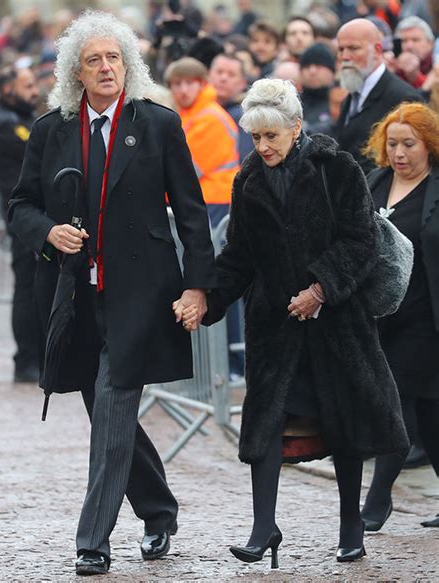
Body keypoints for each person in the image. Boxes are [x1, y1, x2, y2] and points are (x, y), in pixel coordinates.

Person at [8, 10, 216, 576]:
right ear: (76, 71)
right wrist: (47, 232)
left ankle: (92, 540)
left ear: (129, 65)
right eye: (94, 59)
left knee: (116, 398)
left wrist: (199, 285)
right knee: (107, 412)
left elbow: (193, 214)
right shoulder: (53, 128)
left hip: (140, 293)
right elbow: (20, 205)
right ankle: (159, 510)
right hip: (73, 296)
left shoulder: (158, 123)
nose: (106, 68)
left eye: (115, 58)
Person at [186, 78, 409, 567]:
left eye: (272, 136)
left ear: (296, 127)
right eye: (256, 137)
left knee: (342, 425)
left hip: (336, 324)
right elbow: (239, 255)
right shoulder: (248, 180)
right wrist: (208, 299)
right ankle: (263, 528)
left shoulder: (337, 169)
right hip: (276, 327)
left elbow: (360, 241)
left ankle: (351, 524)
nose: (263, 147)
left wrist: (320, 288)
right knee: (266, 427)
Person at [361, 102, 439, 531]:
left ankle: (377, 501)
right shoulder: (375, 181)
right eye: (392, 144)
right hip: (379, 317)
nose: (400, 153)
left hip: (425, 318)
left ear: (429, 146)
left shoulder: (436, 189)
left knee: (399, 403)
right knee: (430, 416)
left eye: (410, 144)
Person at [0, 65, 40, 383]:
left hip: (34, 215)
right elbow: (37, 150)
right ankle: (26, 358)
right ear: (9, 90)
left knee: (40, 286)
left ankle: (42, 355)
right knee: (28, 287)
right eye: (28, 85)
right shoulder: (5, 124)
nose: (35, 91)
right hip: (22, 217)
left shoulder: (22, 118)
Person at [336, 18, 421, 173]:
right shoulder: (351, 97)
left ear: (376, 50)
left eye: (353, 48)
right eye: (341, 49)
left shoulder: (403, 98)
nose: (345, 57)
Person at [165, 56, 239, 227]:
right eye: (177, 84)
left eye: (190, 83)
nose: (183, 90)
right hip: (204, 198)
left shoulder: (210, 118)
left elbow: (185, 169)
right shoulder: (190, 114)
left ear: (202, 84)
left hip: (213, 200)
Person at [208, 52, 253, 161]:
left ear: (242, 83)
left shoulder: (244, 117)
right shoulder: (196, 109)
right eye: (219, 72)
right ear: (209, 75)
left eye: (231, 74)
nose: (223, 78)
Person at [299, 42, 336, 136]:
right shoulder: (292, 104)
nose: (312, 71)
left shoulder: (340, 103)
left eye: (319, 66)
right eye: (307, 67)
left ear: (332, 72)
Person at [394, 16, 435, 89]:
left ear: (430, 44)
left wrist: (416, 78)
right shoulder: (395, 67)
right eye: (404, 41)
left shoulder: (436, 66)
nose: (409, 46)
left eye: (415, 40)